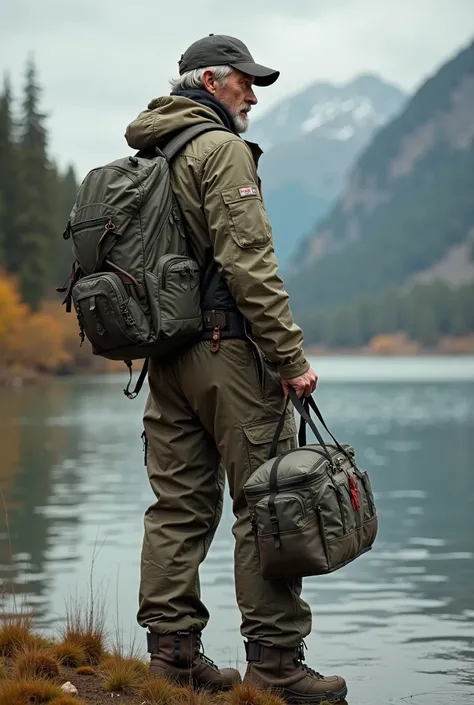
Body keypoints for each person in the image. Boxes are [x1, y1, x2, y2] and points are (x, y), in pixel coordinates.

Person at [125, 34, 347, 703]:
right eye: (244, 82)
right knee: (268, 503)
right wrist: (290, 358)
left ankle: (172, 659)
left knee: (178, 506)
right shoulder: (219, 149)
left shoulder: (150, 150)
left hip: (167, 356)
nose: (252, 95)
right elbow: (249, 261)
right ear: (210, 80)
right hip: (227, 353)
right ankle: (276, 666)